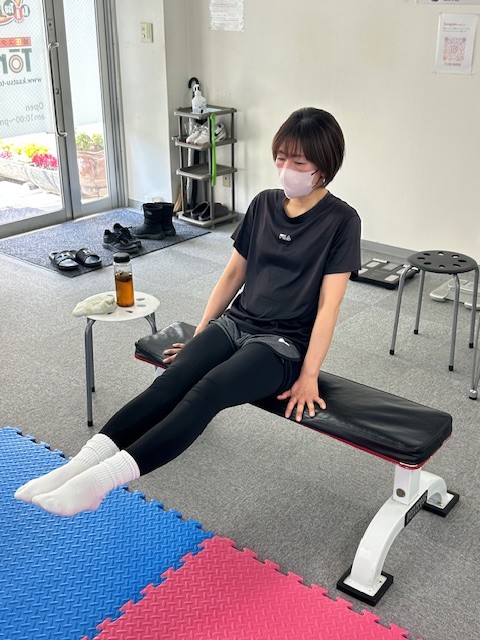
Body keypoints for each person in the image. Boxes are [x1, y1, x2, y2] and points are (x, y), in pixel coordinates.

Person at [15, 107, 361, 517]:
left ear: (324, 166)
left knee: (207, 392)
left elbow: (329, 305)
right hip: (236, 323)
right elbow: (233, 274)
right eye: (281, 159)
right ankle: (74, 468)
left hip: (282, 344)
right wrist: (201, 337)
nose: (287, 170)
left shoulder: (341, 220)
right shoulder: (264, 204)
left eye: (299, 163)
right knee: (172, 381)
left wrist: (308, 376)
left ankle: (97, 484)